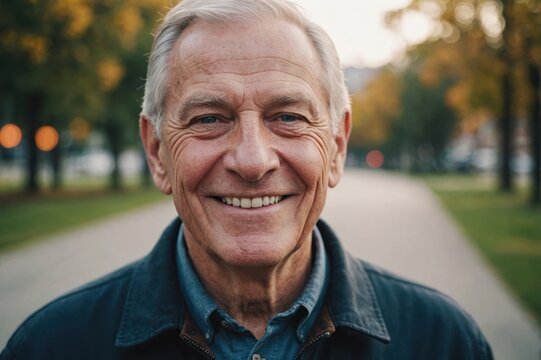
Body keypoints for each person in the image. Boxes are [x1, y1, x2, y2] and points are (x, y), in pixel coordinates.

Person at [1, 0, 493, 359]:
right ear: (157, 152)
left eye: (289, 117)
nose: (253, 161)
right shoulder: (50, 346)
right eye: (209, 119)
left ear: (337, 147)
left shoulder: (443, 342)